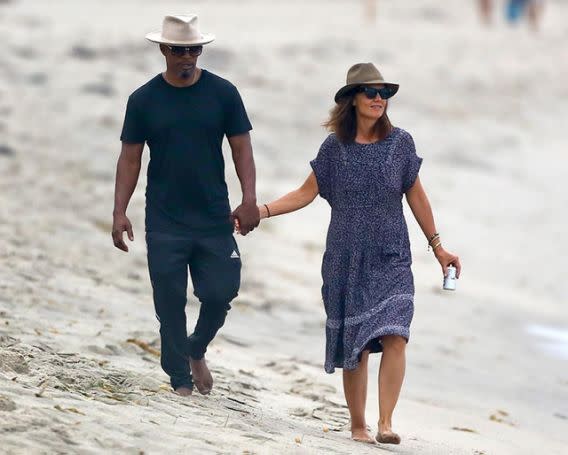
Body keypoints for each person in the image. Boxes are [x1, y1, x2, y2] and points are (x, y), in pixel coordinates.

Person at [245, 63, 462, 444]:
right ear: (352, 99)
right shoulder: (335, 149)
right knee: (355, 343)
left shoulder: (400, 144)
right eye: (371, 92)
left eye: (384, 93)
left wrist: (438, 247)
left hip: (392, 254)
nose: (379, 98)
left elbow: (416, 194)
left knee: (396, 333)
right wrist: (262, 211)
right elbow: (305, 192)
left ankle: (386, 423)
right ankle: (358, 425)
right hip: (345, 258)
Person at [112, 14, 260, 397]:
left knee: (220, 292)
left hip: (214, 216)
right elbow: (130, 158)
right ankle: (179, 378)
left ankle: (196, 348)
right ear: (164, 50)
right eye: (179, 50)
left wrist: (249, 199)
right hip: (164, 219)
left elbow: (241, 147)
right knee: (170, 302)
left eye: (193, 49)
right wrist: (118, 211)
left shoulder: (223, 93)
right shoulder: (143, 100)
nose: (187, 57)